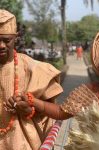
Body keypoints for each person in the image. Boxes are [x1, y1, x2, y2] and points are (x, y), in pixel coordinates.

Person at [0, 9, 63, 150]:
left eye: (6, 40)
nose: (1, 45)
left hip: (24, 143)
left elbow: (54, 111)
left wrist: (29, 109)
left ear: (15, 38)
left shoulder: (32, 68)